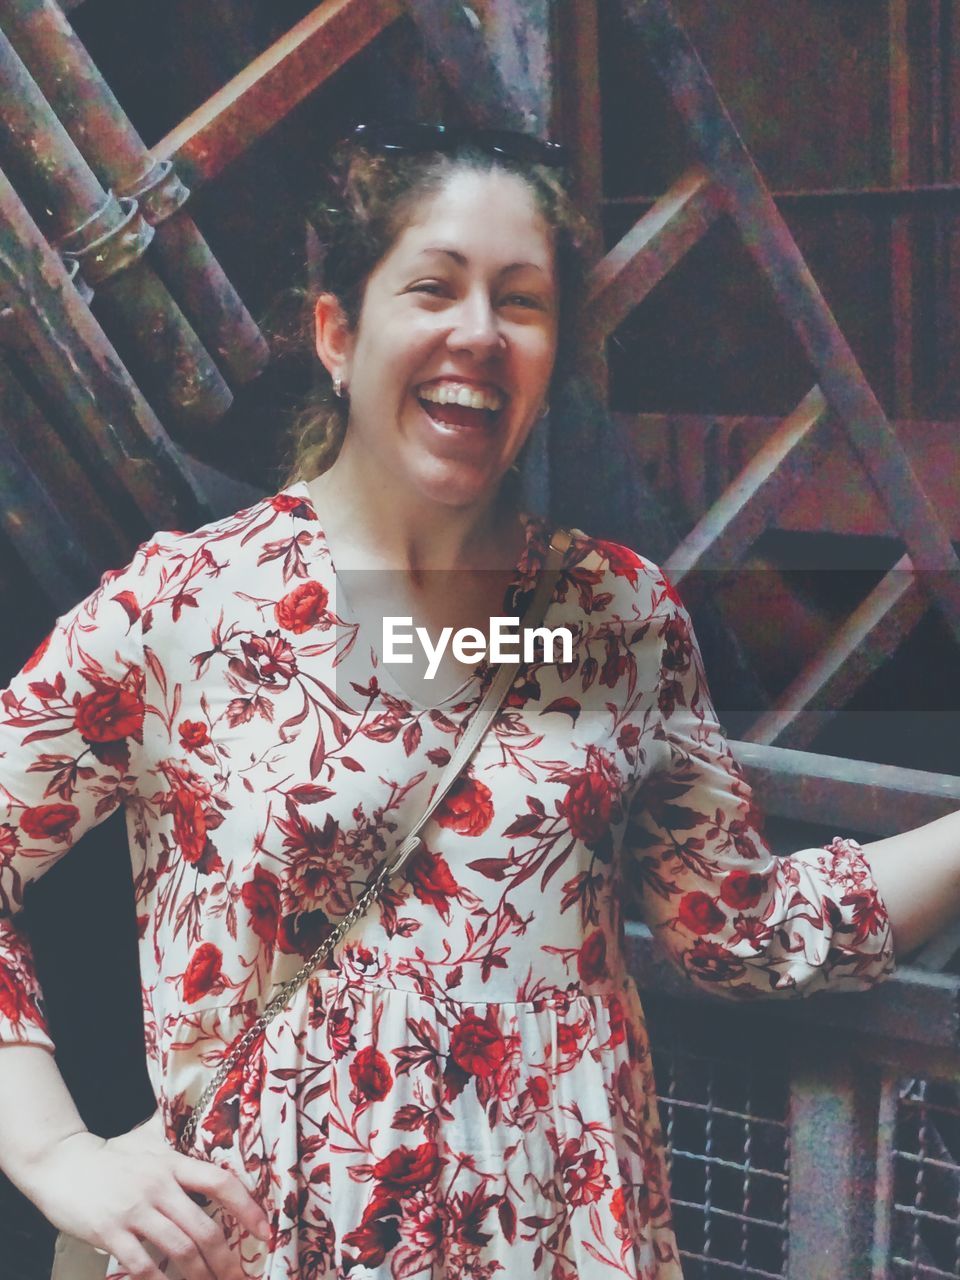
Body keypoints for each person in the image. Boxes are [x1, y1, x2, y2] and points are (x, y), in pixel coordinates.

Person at [0, 120, 958, 1280]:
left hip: (564, 1241)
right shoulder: (187, 607)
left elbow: (739, 925)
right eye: (435, 287)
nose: (478, 333)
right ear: (338, 333)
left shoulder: (619, 617)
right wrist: (56, 1147)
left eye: (522, 300)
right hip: (280, 1246)